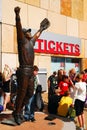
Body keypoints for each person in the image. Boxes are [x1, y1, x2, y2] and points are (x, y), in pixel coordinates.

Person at [13, 6, 50, 125]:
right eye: (27, 31)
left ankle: (17, 110)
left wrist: (41, 29)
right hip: (24, 70)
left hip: (30, 71)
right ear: (23, 34)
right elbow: (18, 28)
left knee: (29, 93)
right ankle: (18, 113)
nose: (30, 32)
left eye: (30, 31)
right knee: (22, 92)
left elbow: (36, 36)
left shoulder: (30, 42)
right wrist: (17, 15)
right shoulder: (21, 41)